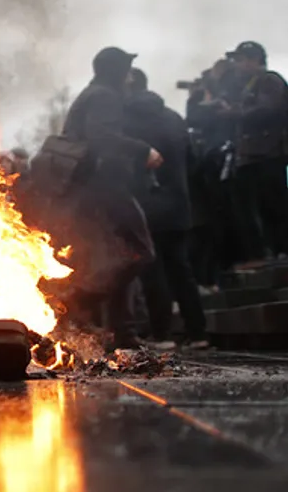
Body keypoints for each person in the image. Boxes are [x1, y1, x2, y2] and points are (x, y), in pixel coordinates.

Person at [56, 47, 161, 350]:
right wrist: (144, 150)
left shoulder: (93, 94)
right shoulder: (103, 96)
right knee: (139, 251)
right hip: (104, 187)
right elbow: (102, 137)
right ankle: (77, 302)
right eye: (127, 70)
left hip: (94, 188)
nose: (130, 78)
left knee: (120, 254)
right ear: (116, 70)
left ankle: (122, 332)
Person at [125, 68, 208, 349]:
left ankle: (161, 335)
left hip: (147, 206)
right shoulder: (173, 117)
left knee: (153, 270)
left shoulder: (128, 120)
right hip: (179, 205)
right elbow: (193, 159)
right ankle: (198, 333)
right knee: (181, 269)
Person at [222, 41, 288, 260]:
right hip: (252, 156)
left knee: (274, 206)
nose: (237, 65)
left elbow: (267, 109)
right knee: (259, 208)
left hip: (268, 153)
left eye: (240, 60)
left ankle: (282, 250)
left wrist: (235, 112)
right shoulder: (248, 85)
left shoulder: (269, 81)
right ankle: (272, 252)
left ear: (255, 60)